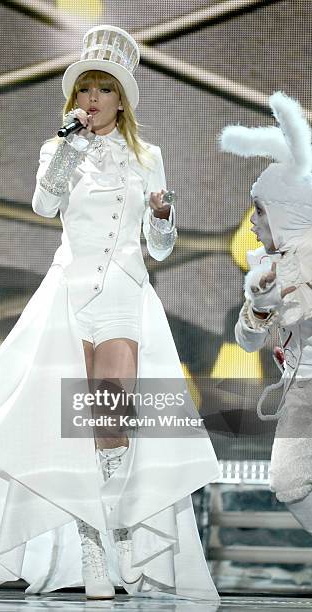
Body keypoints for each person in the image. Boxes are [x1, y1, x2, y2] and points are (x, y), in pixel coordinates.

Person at [0, 25, 220, 602]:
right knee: (71, 423)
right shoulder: (59, 149)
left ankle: (121, 528)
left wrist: (163, 214)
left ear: (122, 99)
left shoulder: (147, 156)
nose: (93, 99)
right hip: (71, 290)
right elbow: (44, 203)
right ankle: (93, 544)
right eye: (85, 90)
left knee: (113, 409)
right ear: (74, 99)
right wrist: (71, 146)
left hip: (124, 292)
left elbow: (159, 247)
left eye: (103, 90)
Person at [220, 91, 312, 533]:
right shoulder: (265, 267)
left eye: (259, 211)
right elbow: (248, 340)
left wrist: (287, 297)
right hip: (300, 387)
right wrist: (258, 307)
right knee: (289, 483)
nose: (253, 222)